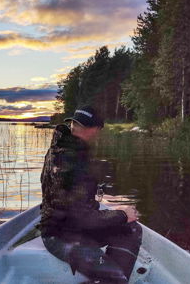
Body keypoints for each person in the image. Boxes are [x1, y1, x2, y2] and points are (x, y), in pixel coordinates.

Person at [40, 106, 142, 283]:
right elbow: (81, 218)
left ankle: (108, 278)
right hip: (61, 236)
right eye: (99, 130)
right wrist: (121, 214)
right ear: (92, 129)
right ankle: (114, 279)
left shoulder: (61, 147)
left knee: (131, 229)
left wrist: (117, 215)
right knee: (117, 277)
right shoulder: (73, 162)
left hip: (75, 228)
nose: (99, 135)